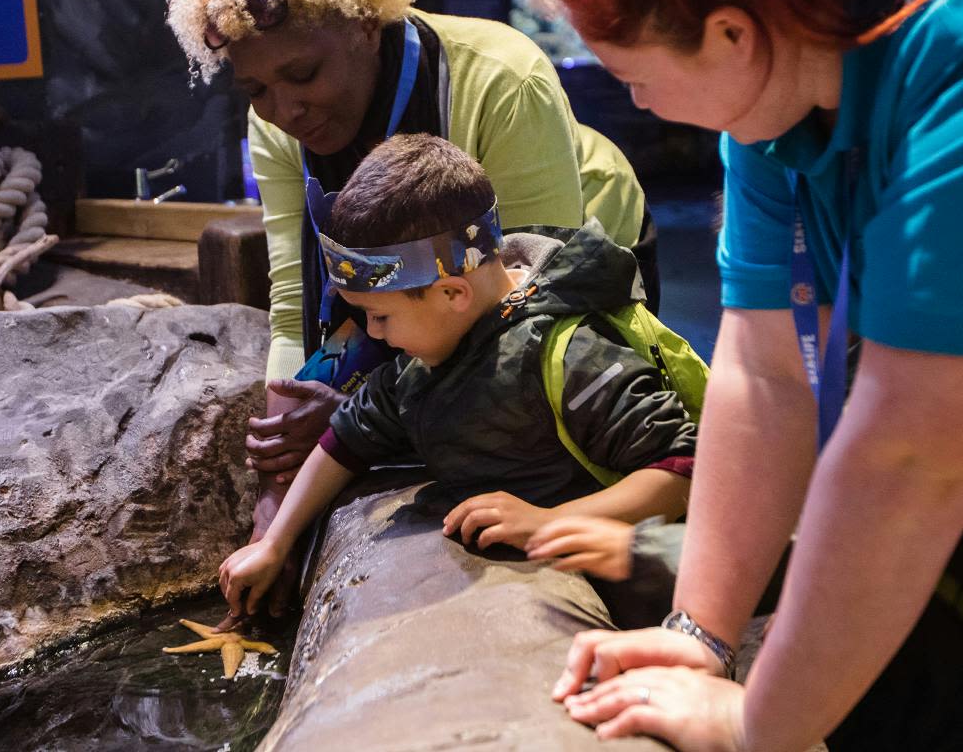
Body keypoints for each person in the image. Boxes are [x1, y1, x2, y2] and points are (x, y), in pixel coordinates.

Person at [533, 0, 963, 749]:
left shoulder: (945, 48)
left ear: (730, 32)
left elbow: (915, 447)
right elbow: (763, 373)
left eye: (634, 79)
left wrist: (755, 726)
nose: (636, 105)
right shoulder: (781, 91)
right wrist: (697, 633)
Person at [165, 0, 660, 597]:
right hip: (437, 282)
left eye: (303, 75)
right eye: (257, 88)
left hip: (566, 248)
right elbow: (292, 302)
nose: (286, 109)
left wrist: (353, 400)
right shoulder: (276, 125)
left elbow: (528, 298)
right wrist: (277, 484)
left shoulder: (498, 78)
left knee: (555, 407)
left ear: (366, 26)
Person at [218, 133, 697, 617]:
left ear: (452, 294)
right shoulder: (423, 360)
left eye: (380, 316)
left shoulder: (570, 354)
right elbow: (346, 438)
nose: (375, 335)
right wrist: (276, 541)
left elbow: (680, 471)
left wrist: (548, 522)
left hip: (639, 608)